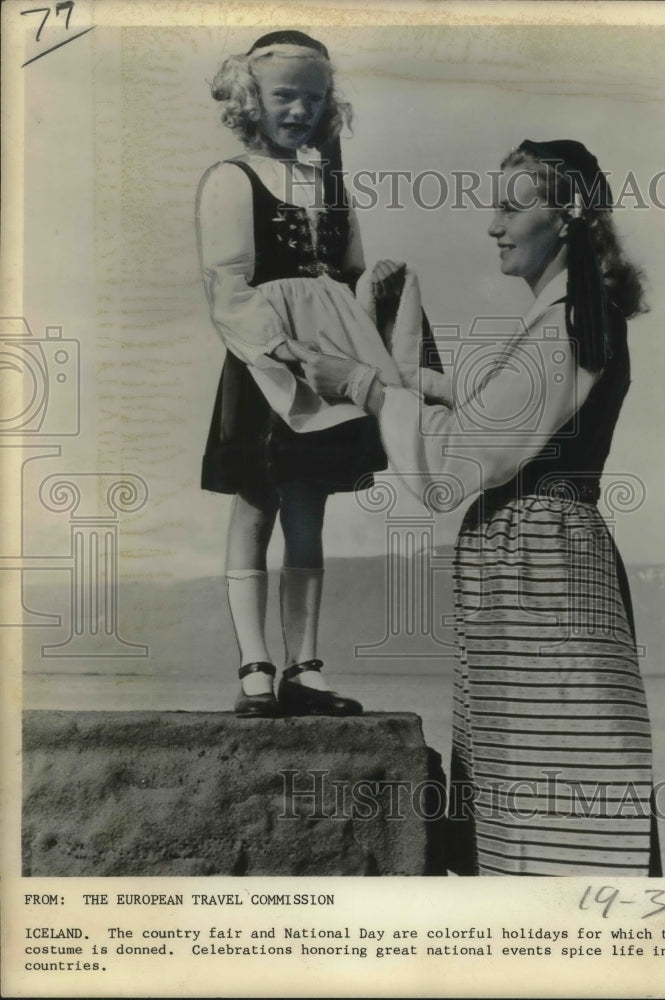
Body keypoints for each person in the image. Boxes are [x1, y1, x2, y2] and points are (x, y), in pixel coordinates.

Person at [289, 139, 662, 875]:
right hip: (530, 568)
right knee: (533, 786)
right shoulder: (569, 318)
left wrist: (366, 385)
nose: (492, 225)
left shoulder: (566, 325)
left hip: (543, 572)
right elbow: (490, 407)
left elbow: (459, 463)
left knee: (560, 785)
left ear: (566, 216)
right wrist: (414, 371)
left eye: (510, 206)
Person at [197, 31, 415, 718]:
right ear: (250, 99)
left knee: (308, 503)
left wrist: (372, 292)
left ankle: (305, 664)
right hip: (267, 359)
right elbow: (227, 284)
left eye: (312, 98)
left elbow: (347, 269)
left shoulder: (328, 182)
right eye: (284, 95)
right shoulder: (231, 179)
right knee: (256, 501)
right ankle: (255, 663)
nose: (298, 109)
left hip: (328, 351)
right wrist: (281, 348)